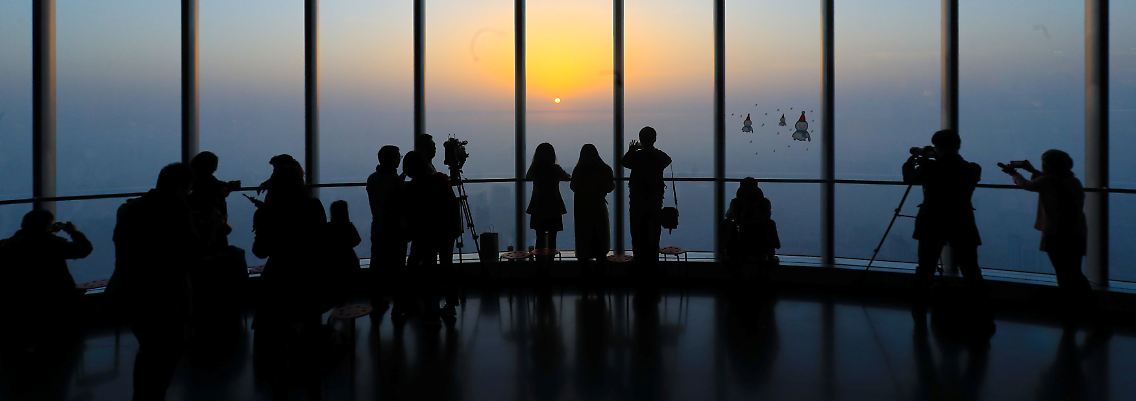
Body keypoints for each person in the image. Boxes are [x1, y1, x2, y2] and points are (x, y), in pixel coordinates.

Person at [108, 163, 200, 401]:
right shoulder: (177, 211)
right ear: (183, 186)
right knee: (166, 351)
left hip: (132, 290)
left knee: (150, 349)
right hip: (168, 295)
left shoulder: (129, 210)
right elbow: (189, 253)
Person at [250, 154, 326, 400]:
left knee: (277, 329)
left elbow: (260, 251)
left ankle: (280, 377)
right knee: (310, 325)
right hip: (308, 274)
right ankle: (312, 374)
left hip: (279, 275)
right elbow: (319, 240)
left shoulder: (269, 212)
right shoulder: (313, 206)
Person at [902, 130, 989, 316]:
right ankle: (981, 306)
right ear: (958, 145)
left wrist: (915, 161)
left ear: (937, 146)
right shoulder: (973, 168)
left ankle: (919, 308)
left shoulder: (930, 168)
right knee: (970, 267)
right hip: (962, 220)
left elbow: (908, 178)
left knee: (925, 266)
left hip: (932, 220)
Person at [1000, 150, 1094, 311]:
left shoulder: (1048, 182)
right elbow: (1049, 182)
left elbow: (1027, 185)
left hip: (1057, 233)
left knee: (1062, 272)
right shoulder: (1073, 181)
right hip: (1076, 232)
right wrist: (1033, 171)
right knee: (1074, 272)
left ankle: (1070, 307)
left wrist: (1013, 173)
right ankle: (1088, 306)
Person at [0, 209, 92, 350]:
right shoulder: (54, 244)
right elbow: (84, 249)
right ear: (46, 225)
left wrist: (46, 232)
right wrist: (73, 232)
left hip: (20, 303)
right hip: (55, 300)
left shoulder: (8, 245)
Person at [403, 150, 461, 320]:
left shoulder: (412, 188)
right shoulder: (441, 181)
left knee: (427, 268)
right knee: (447, 266)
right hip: (446, 230)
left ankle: (429, 303)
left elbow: (411, 213)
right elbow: (452, 205)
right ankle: (450, 303)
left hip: (425, 233)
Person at [621, 126, 672, 266]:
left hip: (637, 202)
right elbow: (668, 160)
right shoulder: (659, 156)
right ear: (654, 139)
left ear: (640, 139)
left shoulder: (637, 157)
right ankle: (652, 264)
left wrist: (632, 151)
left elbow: (624, 162)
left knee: (637, 234)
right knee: (654, 234)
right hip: (655, 201)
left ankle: (639, 263)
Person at [366, 145, 407, 318]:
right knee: (398, 267)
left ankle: (377, 301)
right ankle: (398, 305)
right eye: (398, 156)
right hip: (395, 230)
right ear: (391, 159)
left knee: (377, 265)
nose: (400, 159)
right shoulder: (394, 181)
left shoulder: (373, 178)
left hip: (378, 228)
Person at [570, 144, 615, 274]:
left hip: (582, 208)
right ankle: (601, 271)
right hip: (598, 206)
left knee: (584, 236)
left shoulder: (579, 169)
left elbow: (573, 186)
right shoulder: (604, 168)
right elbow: (610, 186)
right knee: (600, 234)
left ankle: (585, 273)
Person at [723, 177, 780, 273]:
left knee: (727, 224)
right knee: (771, 224)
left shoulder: (736, 202)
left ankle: (729, 255)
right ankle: (770, 255)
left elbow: (728, 216)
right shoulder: (764, 202)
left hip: (740, 241)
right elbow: (767, 217)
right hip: (761, 242)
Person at [527, 143, 571, 254]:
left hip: (538, 206)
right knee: (552, 238)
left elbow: (528, 177)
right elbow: (567, 177)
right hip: (554, 206)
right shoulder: (555, 169)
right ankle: (550, 264)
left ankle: (540, 264)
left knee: (540, 237)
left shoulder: (535, 169)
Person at [326, 200, 362, 308]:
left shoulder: (328, 227)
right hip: (349, 260)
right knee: (348, 288)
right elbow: (357, 240)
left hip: (333, 261)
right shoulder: (348, 226)